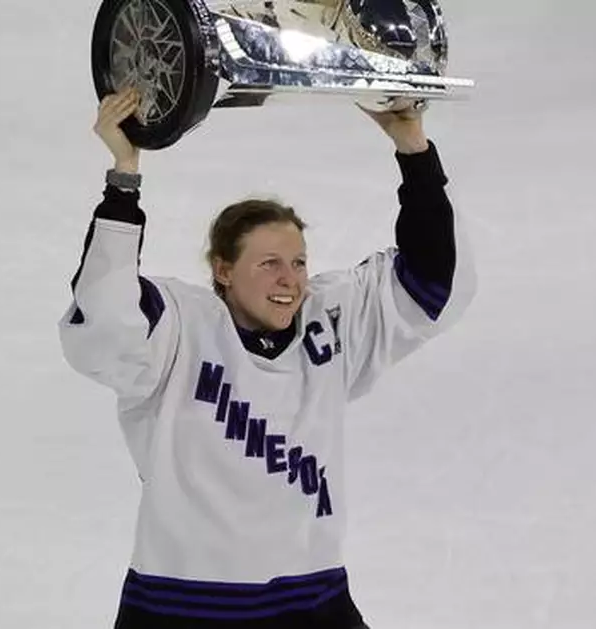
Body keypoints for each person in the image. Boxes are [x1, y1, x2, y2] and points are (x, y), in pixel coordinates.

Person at [59, 87, 478, 628]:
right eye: (270, 264)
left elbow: (435, 280)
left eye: (299, 263)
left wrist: (413, 148)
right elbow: (104, 317)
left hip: (311, 602)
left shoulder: (329, 325)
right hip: (181, 605)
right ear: (223, 270)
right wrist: (124, 178)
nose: (290, 281)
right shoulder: (177, 332)